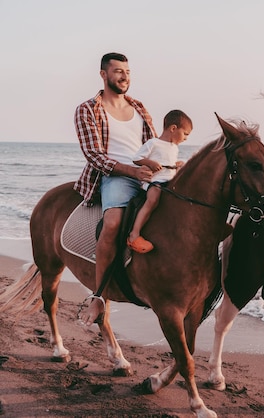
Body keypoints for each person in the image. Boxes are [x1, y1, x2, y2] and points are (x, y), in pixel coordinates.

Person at [74, 52, 157, 326]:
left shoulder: (140, 108)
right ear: (104, 74)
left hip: (144, 173)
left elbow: (152, 145)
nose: (124, 76)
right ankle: (98, 296)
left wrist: (165, 165)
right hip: (114, 176)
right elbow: (94, 155)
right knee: (111, 223)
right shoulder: (88, 109)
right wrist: (132, 171)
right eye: (119, 71)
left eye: (128, 72)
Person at [126, 110, 192, 253]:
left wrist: (178, 165)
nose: (186, 138)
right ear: (173, 128)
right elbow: (136, 158)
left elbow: (170, 164)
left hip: (169, 182)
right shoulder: (153, 143)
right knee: (153, 198)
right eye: (185, 133)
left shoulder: (174, 147)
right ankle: (134, 234)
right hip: (155, 182)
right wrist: (150, 162)